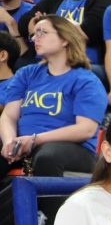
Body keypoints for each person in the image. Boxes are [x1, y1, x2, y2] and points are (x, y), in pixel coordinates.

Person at [0, 16, 105, 178]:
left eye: (42, 32)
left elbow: (86, 129)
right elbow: (9, 116)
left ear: (65, 39)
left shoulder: (86, 81)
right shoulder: (27, 73)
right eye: (34, 34)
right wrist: (9, 142)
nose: (35, 38)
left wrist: (34, 139)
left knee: (47, 156)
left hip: (72, 149)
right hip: (25, 144)